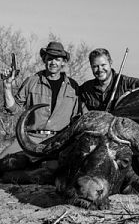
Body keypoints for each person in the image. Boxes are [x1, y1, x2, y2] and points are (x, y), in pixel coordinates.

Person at [0, 41, 81, 169]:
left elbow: (77, 118)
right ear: (44, 59)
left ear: (63, 62)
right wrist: (7, 86)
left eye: (57, 59)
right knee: (3, 162)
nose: (53, 63)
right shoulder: (31, 81)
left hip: (59, 141)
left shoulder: (73, 86)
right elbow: (13, 109)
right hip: (30, 138)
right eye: (50, 59)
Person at [80, 48, 139, 112]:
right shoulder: (86, 88)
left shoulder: (126, 82)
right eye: (95, 66)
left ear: (110, 63)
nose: (100, 70)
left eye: (103, 65)